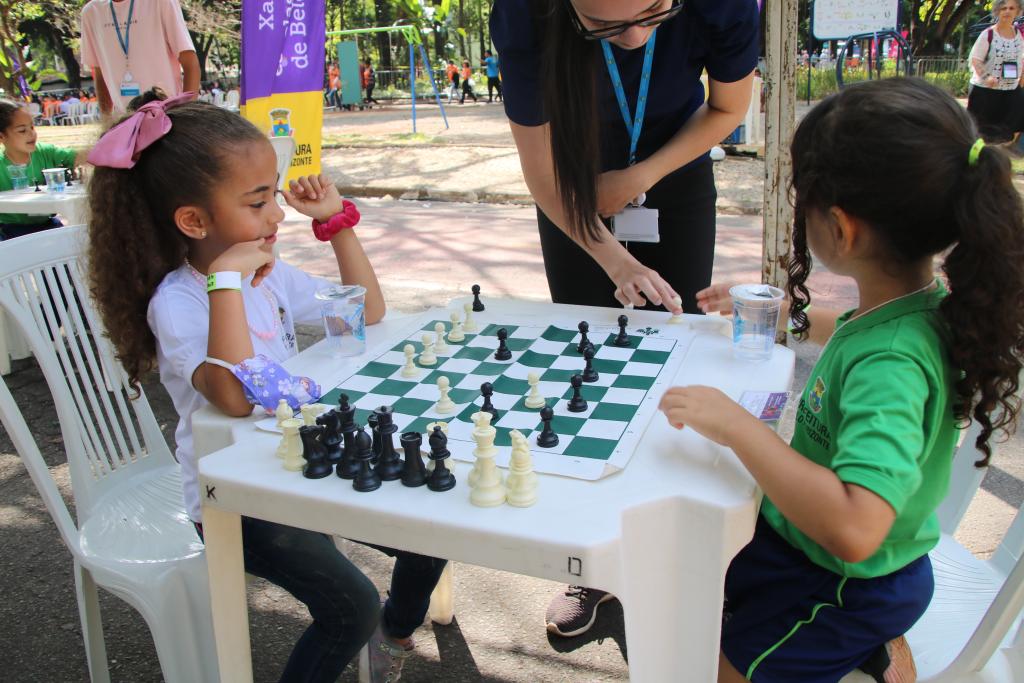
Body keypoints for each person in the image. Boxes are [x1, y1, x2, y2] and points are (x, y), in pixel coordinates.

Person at [662, 78, 1024, 683]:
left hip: (845, 582)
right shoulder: (913, 304)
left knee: (717, 666)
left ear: (840, 226)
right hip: (810, 546)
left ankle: (863, 642)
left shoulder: (893, 364)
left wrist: (737, 428)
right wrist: (781, 314)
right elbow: (856, 329)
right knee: (697, 575)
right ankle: (867, 651)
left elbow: (856, 528)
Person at [84, 96, 447, 683]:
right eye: (257, 202)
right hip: (232, 493)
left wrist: (334, 224)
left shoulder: (268, 272)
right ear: (194, 221)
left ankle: (395, 634)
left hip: (298, 460)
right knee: (347, 607)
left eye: (273, 194)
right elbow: (232, 395)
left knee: (431, 522)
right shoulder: (178, 302)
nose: (276, 215)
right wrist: (226, 280)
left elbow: (367, 313)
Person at [492, 0, 758, 637]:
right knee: (589, 371)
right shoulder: (525, 14)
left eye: (654, 12)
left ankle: (687, 544)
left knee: (681, 356)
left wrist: (641, 174)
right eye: (606, 27)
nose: (636, 38)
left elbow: (728, 107)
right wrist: (611, 256)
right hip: (571, 191)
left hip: (675, 175)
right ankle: (592, 563)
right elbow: (543, 173)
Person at [80, 0, 200, 115]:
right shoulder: (91, 12)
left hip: (169, 116)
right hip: (125, 122)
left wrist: (185, 114)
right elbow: (100, 71)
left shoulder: (161, 2)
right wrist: (107, 122)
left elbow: (190, 63)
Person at [0, 101, 86, 240]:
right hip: (9, 231)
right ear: (2, 137)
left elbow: (81, 158)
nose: (31, 134)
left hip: (47, 226)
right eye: (22, 130)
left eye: (32, 127)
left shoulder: (46, 152)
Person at [968, 0, 1024, 143]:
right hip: (985, 92)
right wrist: (987, 77)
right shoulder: (988, 35)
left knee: (1005, 134)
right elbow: (975, 59)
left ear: (1017, 11)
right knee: (981, 134)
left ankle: (1000, 161)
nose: (1007, 11)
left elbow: (1020, 59)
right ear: (997, 11)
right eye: (1003, 8)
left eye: (1011, 8)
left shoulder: (1019, 35)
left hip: (1009, 91)